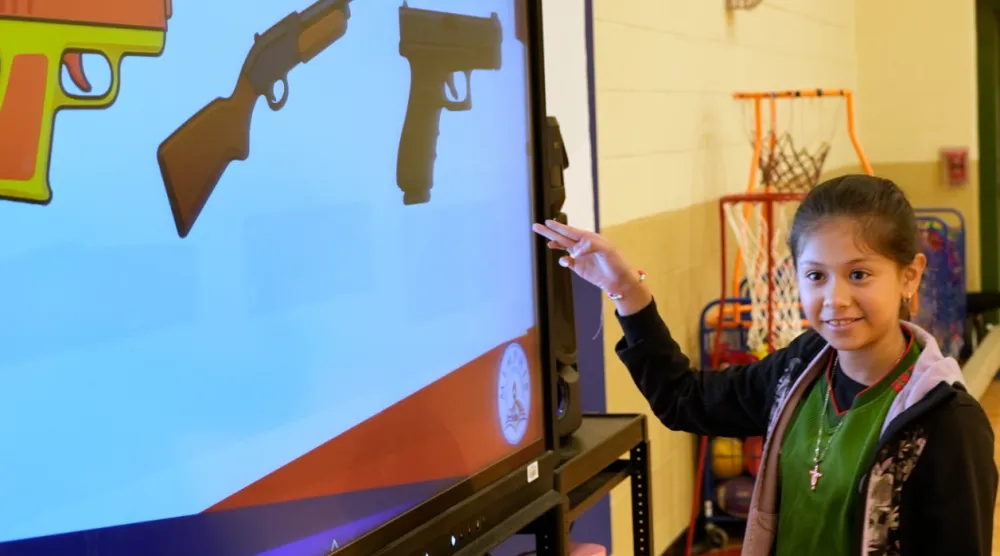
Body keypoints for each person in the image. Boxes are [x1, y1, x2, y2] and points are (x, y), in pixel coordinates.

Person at [532, 175, 998, 556]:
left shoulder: (947, 424)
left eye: (859, 274)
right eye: (816, 275)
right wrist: (628, 294)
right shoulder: (799, 369)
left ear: (909, 276)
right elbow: (684, 400)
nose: (834, 298)